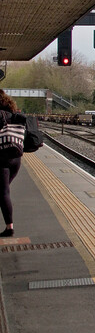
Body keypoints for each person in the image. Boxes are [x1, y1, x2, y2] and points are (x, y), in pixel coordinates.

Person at [0, 89, 23, 237]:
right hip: (16, 159)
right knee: (3, 190)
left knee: (3, 192)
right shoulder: (14, 114)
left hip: (2, 158)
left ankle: (9, 228)